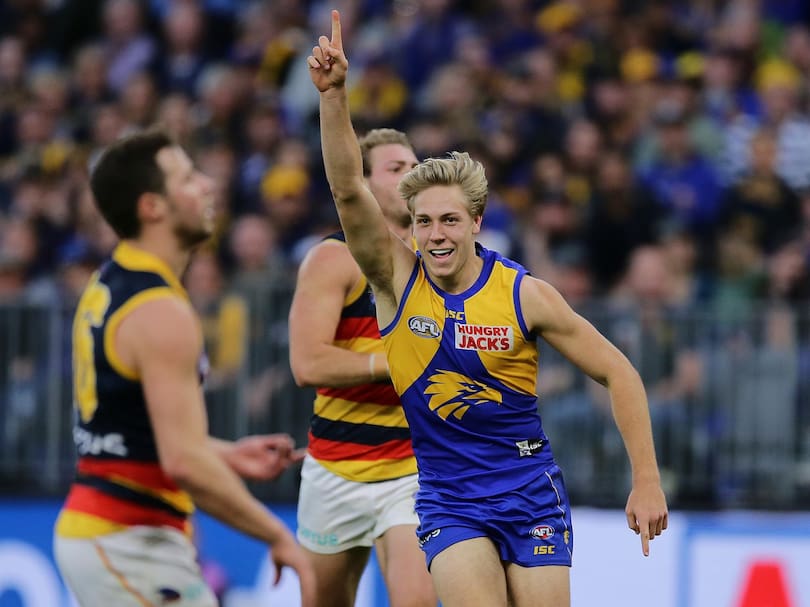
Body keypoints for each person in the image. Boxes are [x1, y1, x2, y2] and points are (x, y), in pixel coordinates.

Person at [307, 11, 668, 607]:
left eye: (450, 220)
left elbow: (618, 372)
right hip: (450, 497)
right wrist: (335, 97)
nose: (436, 235)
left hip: (530, 491)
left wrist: (647, 480)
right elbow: (348, 190)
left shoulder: (525, 294)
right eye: (423, 222)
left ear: (477, 222)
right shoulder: (396, 281)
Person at [52, 130, 316, 607]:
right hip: (127, 540)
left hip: (108, 533)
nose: (208, 185)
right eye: (189, 178)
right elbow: (182, 461)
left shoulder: (109, 281)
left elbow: (133, 433)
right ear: (153, 207)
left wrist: (228, 454)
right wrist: (276, 533)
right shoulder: (159, 310)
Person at [288, 127, 437, 607]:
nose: (411, 175)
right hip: (336, 467)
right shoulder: (332, 259)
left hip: (414, 466)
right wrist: (393, 364)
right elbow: (307, 362)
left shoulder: (439, 259)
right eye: (396, 169)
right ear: (364, 184)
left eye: (415, 166)